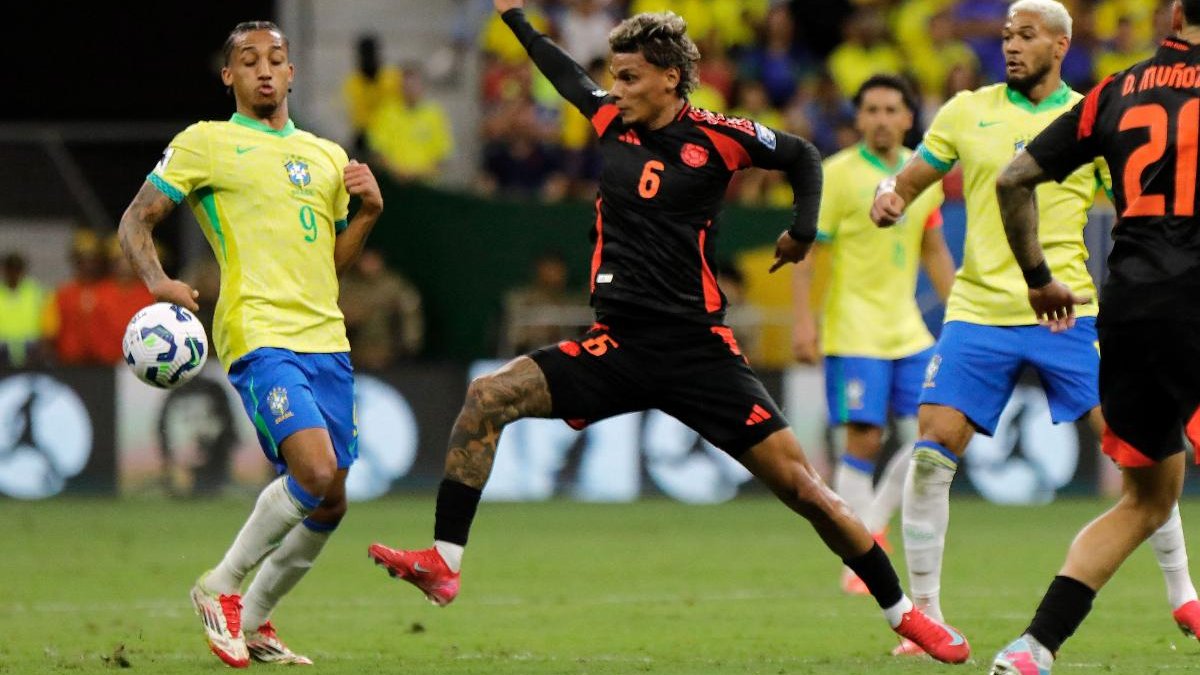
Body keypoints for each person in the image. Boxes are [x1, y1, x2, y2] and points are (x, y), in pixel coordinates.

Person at [367, 1, 971, 663]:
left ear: (668, 79)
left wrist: (802, 231)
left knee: (806, 489)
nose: (615, 90)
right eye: (614, 78)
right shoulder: (608, 119)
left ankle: (906, 614)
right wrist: (515, 17)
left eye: (628, 78)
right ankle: (445, 560)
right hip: (616, 345)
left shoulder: (718, 136)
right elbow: (562, 71)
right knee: (488, 395)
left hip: (697, 350)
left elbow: (801, 156)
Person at [869, 0, 1200, 657]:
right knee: (933, 450)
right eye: (1006, 35)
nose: (1012, 46)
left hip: (1072, 313)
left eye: (1026, 35)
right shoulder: (967, 109)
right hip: (983, 310)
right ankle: (928, 612)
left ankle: (1176, 595)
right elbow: (918, 175)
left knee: (1140, 464)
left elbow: (1109, 189)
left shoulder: (1098, 104)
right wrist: (894, 194)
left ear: (1061, 44)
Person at [117, 21, 382, 668]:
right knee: (312, 472)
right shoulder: (207, 143)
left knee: (333, 495)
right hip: (258, 330)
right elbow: (136, 217)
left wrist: (369, 215)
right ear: (228, 76)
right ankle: (220, 585)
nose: (265, 69)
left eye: (277, 60)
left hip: (326, 335)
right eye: (249, 60)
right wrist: (157, 282)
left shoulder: (325, 156)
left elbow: (330, 261)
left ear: (292, 74)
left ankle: (259, 619)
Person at [990, 2, 1200, 671]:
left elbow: (1013, 178)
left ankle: (1032, 647)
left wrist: (1039, 276)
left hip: (1130, 308)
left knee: (1145, 500)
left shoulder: (1112, 90)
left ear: (1173, 15)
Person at [792, 74, 956, 596]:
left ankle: (873, 524)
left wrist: (960, 314)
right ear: (858, 118)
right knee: (864, 438)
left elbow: (933, 249)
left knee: (938, 433)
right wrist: (803, 322)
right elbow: (807, 254)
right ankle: (857, 555)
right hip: (853, 328)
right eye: (872, 110)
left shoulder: (919, 173)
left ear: (909, 118)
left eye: (891, 110)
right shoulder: (837, 175)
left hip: (908, 329)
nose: (881, 119)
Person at [339, 248, 425, 368]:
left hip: (389, 352)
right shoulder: (347, 284)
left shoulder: (393, 285)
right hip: (353, 352)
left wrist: (410, 345)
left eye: (373, 260)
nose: (369, 264)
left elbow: (411, 308)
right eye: (366, 260)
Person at [0, 252, 49, 368]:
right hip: (2, 349)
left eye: (17, 269)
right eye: (10, 269)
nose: (13, 273)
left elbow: (48, 323)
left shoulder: (37, 292)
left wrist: (44, 345)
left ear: (23, 270)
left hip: (32, 349)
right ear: (3, 270)